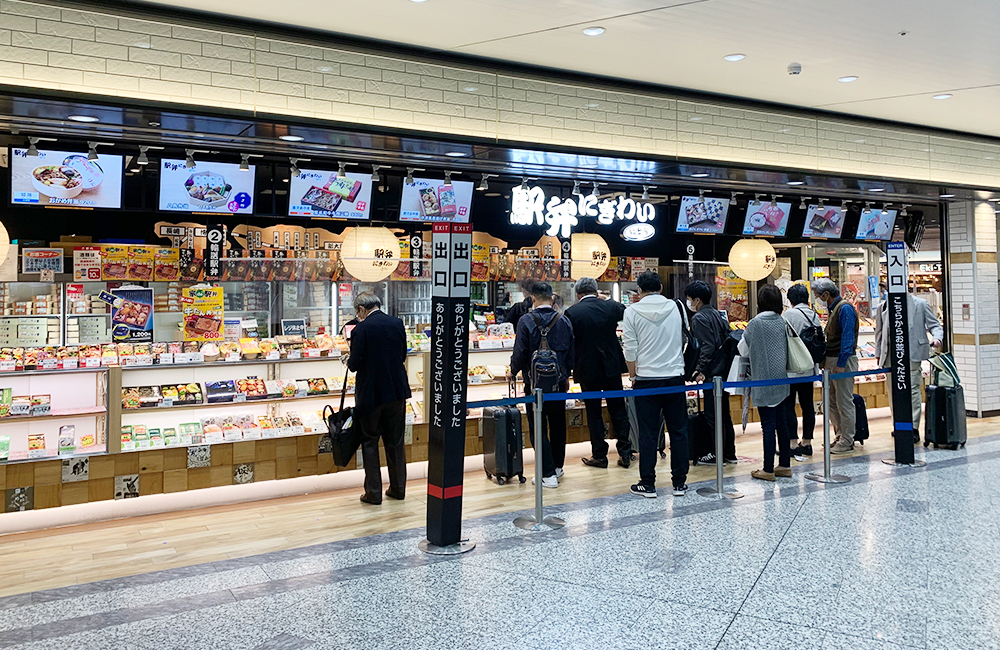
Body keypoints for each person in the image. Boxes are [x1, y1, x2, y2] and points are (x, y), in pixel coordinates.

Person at [622, 270, 689, 498]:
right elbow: (684, 339)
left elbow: (629, 349)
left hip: (645, 380)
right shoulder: (676, 307)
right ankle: (679, 483)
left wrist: (633, 376)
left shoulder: (631, 311)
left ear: (639, 291)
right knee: (679, 431)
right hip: (674, 378)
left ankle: (648, 484)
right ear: (661, 287)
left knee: (648, 433)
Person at [346, 292, 411, 505]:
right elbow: (402, 355)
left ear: (362, 310)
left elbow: (354, 365)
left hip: (371, 394)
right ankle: (398, 488)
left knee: (370, 442)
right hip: (396, 391)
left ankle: (373, 492)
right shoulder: (397, 323)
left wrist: (348, 358)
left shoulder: (361, 329)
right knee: (395, 442)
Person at [509, 282, 574, 488]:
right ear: (553, 299)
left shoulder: (525, 320)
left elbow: (520, 352)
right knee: (558, 425)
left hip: (535, 384)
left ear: (533, 299)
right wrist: (566, 375)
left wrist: (512, 371)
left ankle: (547, 474)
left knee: (538, 427)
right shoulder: (564, 320)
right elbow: (572, 352)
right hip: (559, 383)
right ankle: (557, 467)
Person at [565, 277, 633, 469]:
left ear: (578, 294)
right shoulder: (610, 307)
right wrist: (606, 298)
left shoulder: (572, 312)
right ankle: (625, 452)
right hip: (611, 366)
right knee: (618, 409)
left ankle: (600, 456)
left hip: (587, 368)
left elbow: (570, 341)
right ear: (596, 292)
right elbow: (624, 310)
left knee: (593, 412)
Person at [874, 288, 944, 442]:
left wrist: (937, 338)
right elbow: (879, 332)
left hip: (912, 354)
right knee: (893, 392)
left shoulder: (920, 304)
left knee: (912, 390)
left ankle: (912, 427)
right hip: (891, 356)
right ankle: (898, 425)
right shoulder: (883, 307)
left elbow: (935, 325)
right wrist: (878, 353)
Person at [739, 285, 792, 481]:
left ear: (760, 302)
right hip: (782, 380)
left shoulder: (755, 323)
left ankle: (768, 468)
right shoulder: (782, 321)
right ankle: (785, 465)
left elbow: (743, 349)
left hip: (763, 380)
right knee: (782, 425)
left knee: (768, 426)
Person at [684, 280, 737, 466]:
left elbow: (706, 347)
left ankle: (717, 454)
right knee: (724, 414)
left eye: (690, 299)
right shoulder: (718, 315)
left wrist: (700, 369)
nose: (688, 302)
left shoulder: (699, 318)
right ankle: (729, 453)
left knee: (713, 415)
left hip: (711, 373)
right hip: (724, 372)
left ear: (697, 300)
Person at [812, 278, 858, 454]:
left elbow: (848, 337)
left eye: (818, 295)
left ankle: (847, 439)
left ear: (826, 294)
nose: (818, 299)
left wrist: (841, 362)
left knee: (844, 401)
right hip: (832, 360)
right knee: (831, 401)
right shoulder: (835, 309)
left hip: (842, 361)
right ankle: (839, 435)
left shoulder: (844, 309)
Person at [782, 283, 820, 456]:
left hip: (792, 368)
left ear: (791, 299)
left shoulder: (789, 314)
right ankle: (807, 442)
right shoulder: (814, 315)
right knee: (807, 405)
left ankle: (792, 443)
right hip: (809, 367)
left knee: (789, 405)